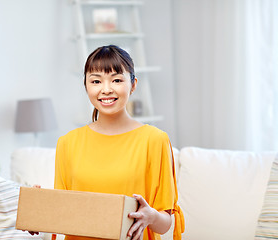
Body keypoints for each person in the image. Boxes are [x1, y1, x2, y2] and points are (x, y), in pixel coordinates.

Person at [33, 45, 184, 240]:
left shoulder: (154, 140)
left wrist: (151, 216)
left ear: (133, 84)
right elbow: (67, 216)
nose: (106, 89)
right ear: (86, 86)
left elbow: (164, 224)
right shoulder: (68, 143)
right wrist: (39, 210)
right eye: (96, 81)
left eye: (116, 80)